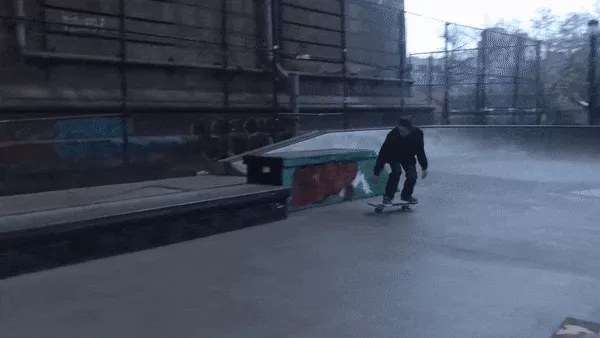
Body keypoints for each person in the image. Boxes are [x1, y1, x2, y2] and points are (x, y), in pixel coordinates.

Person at [373, 117, 428, 205]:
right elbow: (383, 152)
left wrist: (424, 167)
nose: (400, 133)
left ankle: (406, 195)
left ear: (410, 130)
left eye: (403, 131)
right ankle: (388, 196)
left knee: (412, 176)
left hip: (408, 157)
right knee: (396, 172)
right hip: (393, 156)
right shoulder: (392, 134)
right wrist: (376, 171)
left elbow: (420, 151)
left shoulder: (418, 134)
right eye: (399, 130)